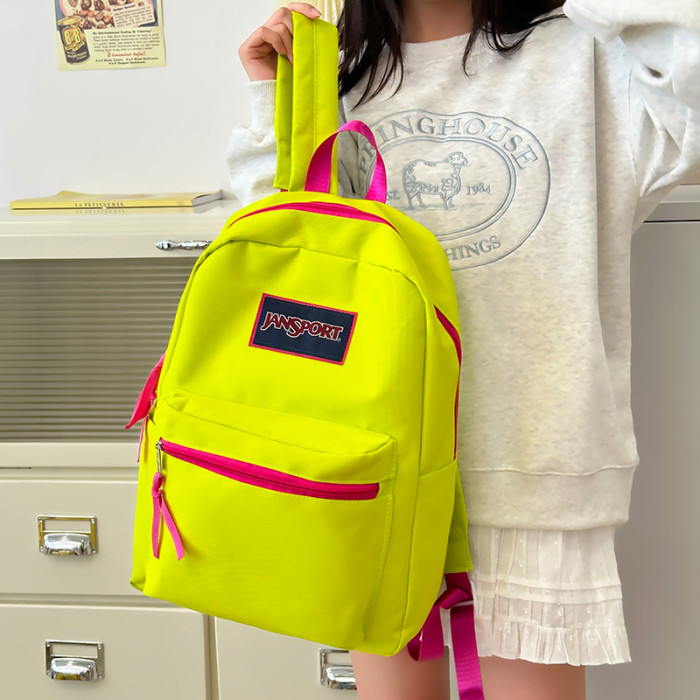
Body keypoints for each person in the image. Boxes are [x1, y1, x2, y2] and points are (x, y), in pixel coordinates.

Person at [231, 1, 700, 698]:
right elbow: (277, 249)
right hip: (376, 469)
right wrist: (278, 95)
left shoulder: (591, 58)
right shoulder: (341, 74)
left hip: (534, 472)